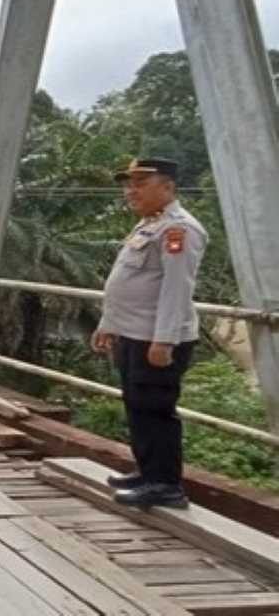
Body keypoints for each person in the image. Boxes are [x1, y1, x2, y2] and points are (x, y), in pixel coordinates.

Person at [91, 158, 207, 509]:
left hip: (155, 338)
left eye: (140, 183)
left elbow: (176, 289)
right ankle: (147, 472)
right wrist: (108, 324)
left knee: (155, 408)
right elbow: (130, 281)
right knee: (137, 405)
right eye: (128, 184)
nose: (130, 191)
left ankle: (166, 485)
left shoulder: (179, 230)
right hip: (133, 333)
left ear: (168, 187)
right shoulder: (150, 226)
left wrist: (164, 340)